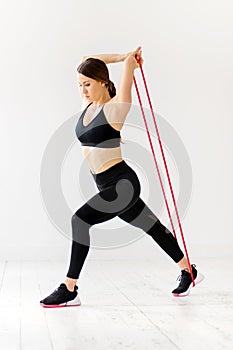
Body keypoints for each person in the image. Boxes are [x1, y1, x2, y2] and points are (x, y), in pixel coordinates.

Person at [40, 47, 204, 308]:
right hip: (105, 184)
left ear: (103, 83)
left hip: (121, 185)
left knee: (79, 220)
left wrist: (129, 60)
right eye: (80, 84)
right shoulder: (88, 105)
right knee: (152, 227)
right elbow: (86, 58)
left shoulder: (117, 108)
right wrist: (119, 56)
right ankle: (188, 270)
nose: (82, 90)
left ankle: (70, 287)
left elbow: (127, 66)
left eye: (88, 84)